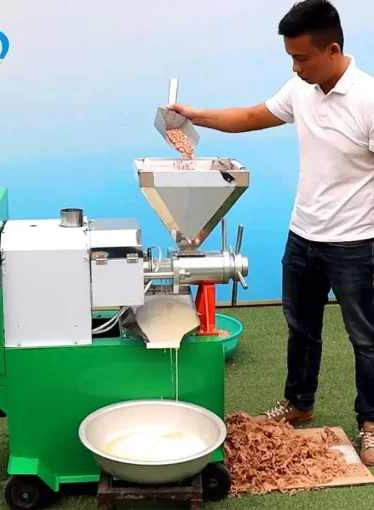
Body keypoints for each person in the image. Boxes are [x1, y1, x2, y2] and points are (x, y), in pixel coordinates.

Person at [167, 0, 374, 466]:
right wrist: (193, 115)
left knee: (366, 338)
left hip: (357, 244)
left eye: (301, 58)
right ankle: (299, 403)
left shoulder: (368, 99)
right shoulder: (301, 89)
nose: (295, 67)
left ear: (333, 49)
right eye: (290, 58)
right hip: (303, 235)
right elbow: (248, 117)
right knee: (300, 327)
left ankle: (371, 423)